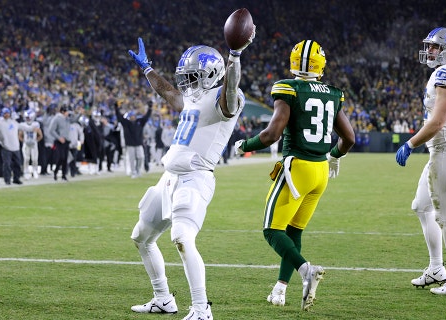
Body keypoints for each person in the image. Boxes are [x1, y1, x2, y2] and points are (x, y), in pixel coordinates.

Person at [127, 26, 254, 319]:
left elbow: (231, 90)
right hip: (168, 178)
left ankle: (201, 309)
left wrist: (234, 55)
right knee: (141, 237)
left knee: (182, 237)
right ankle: (163, 299)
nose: (186, 81)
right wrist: (147, 69)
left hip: (195, 177)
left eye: (192, 75)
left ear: (211, 74)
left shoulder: (227, 98)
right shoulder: (194, 97)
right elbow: (168, 92)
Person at [234, 39, 355, 310]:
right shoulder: (333, 93)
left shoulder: (288, 87)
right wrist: (335, 156)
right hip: (320, 171)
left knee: (272, 230)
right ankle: (280, 289)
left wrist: (245, 145)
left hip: (297, 168)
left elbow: (272, 134)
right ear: (321, 64)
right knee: (293, 230)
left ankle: (305, 270)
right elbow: (349, 137)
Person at [395, 27, 446, 295]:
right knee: (421, 206)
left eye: (434, 47)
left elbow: (438, 121)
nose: (429, 51)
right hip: (442, 151)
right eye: (429, 46)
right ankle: (436, 268)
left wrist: (410, 143)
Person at [0, 108, 23, 185]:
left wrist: (32, 128)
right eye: (5, 113)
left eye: (7, 113)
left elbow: (22, 127)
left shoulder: (14, 122)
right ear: (3, 114)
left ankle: (16, 178)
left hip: (16, 146)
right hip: (6, 147)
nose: (6, 115)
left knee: (17, 164)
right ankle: (7, 179)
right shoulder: (0, 123)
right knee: (7, 164)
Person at [115, 102, 151, 178]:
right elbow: (119, 117)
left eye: (134, 116)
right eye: (131, 116)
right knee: (132, 159)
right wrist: (116, 108)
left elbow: (146, 117)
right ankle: (133, 172)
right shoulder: (126, 123)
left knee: (141, 157)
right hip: (130, 144)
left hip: (139, 143)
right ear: (129, 117)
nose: (133, 117)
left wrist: (150, 109)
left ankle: (138, 170)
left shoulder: (140, 122)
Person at [48, 105, 71, 181]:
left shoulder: (67, 119)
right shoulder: (56, 119)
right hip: (59, 141)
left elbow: (75, 119)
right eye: (67, 111)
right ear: (62, 112)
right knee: (61, 157)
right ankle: (56, 172)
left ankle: (64, 175)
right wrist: (59, 137)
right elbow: (51, 130)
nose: (68, 113)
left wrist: (80, 113)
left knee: (65, 159)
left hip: (66, 140)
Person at [18, 109, 43, 179]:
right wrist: (24, 141)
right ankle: (26, 171)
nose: (27, 119)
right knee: (26, 159)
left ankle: (34, 171)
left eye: (28, 117)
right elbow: (19, 135)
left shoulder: (36, 124)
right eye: (26, 118)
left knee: (35, 159)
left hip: (34, 144)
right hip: (26, 144)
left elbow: (40, 135)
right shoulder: (23, 125)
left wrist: (35, 141)